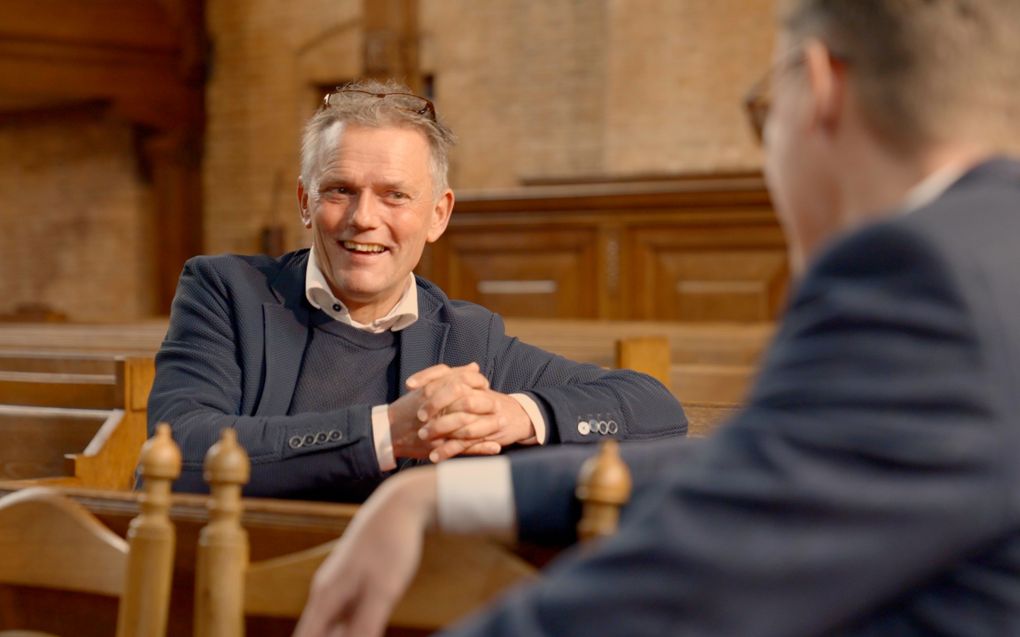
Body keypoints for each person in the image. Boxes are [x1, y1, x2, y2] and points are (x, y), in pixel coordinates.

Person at [294, 0, 1020, 634]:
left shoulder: (921, 276)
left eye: (763, 113)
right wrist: (443, 491)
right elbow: (765, 462)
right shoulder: (988, 253)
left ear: (820, 88)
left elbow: (689, 584)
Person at [147, 80, 686, 501]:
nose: (364, 218)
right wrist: (388, 432)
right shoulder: (225, 292)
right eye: (340, 190)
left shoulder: (467, 339)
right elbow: (179, 448)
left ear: (437, 214)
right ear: (305, 203)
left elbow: (654, 407)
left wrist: (517, 414)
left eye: (394, 196)